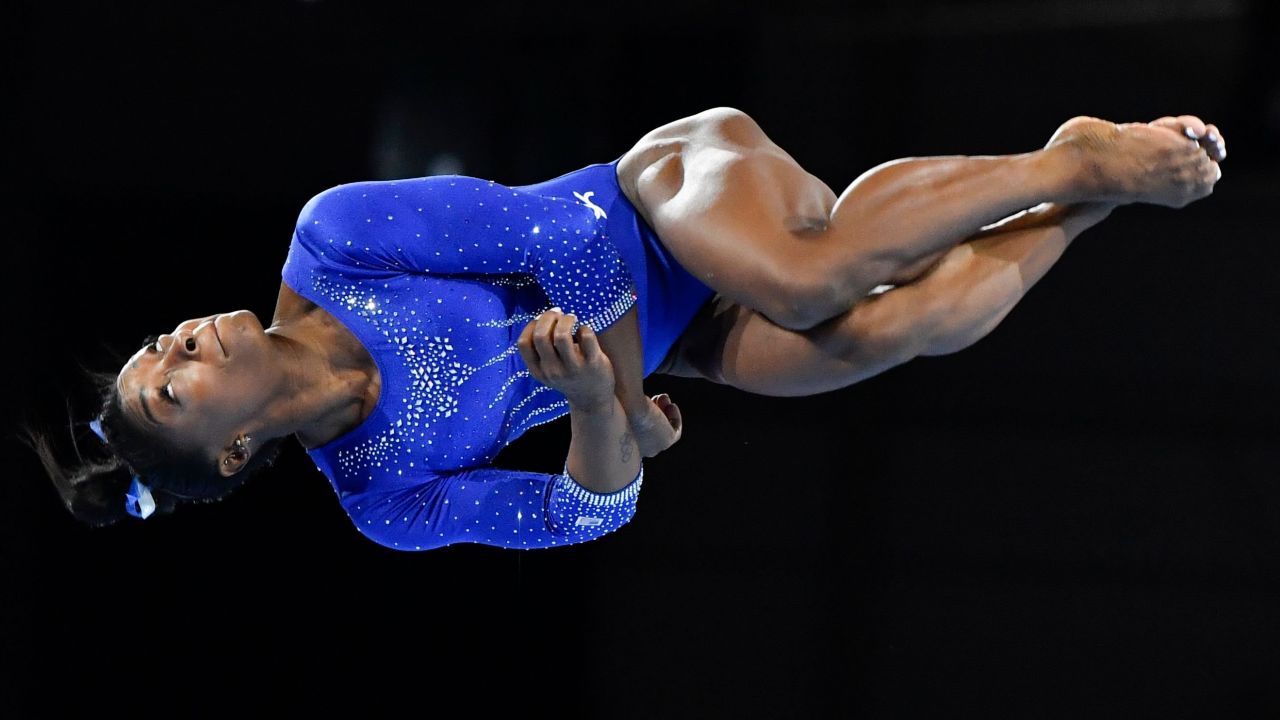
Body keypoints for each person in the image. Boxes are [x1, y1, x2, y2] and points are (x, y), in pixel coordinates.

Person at [25, 107, 1226, 552]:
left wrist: (613, 385)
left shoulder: (334, 241)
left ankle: (1065, 154)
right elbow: (587, 510)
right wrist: (600, 412)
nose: (179, 345)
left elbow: (562, 247)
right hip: (671, 337)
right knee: (890, 334)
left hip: (659, 192)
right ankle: (1086, 201)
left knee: (810, 286)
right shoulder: (385, 496)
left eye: (159, 347)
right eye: (172, 389)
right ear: (233, 454)